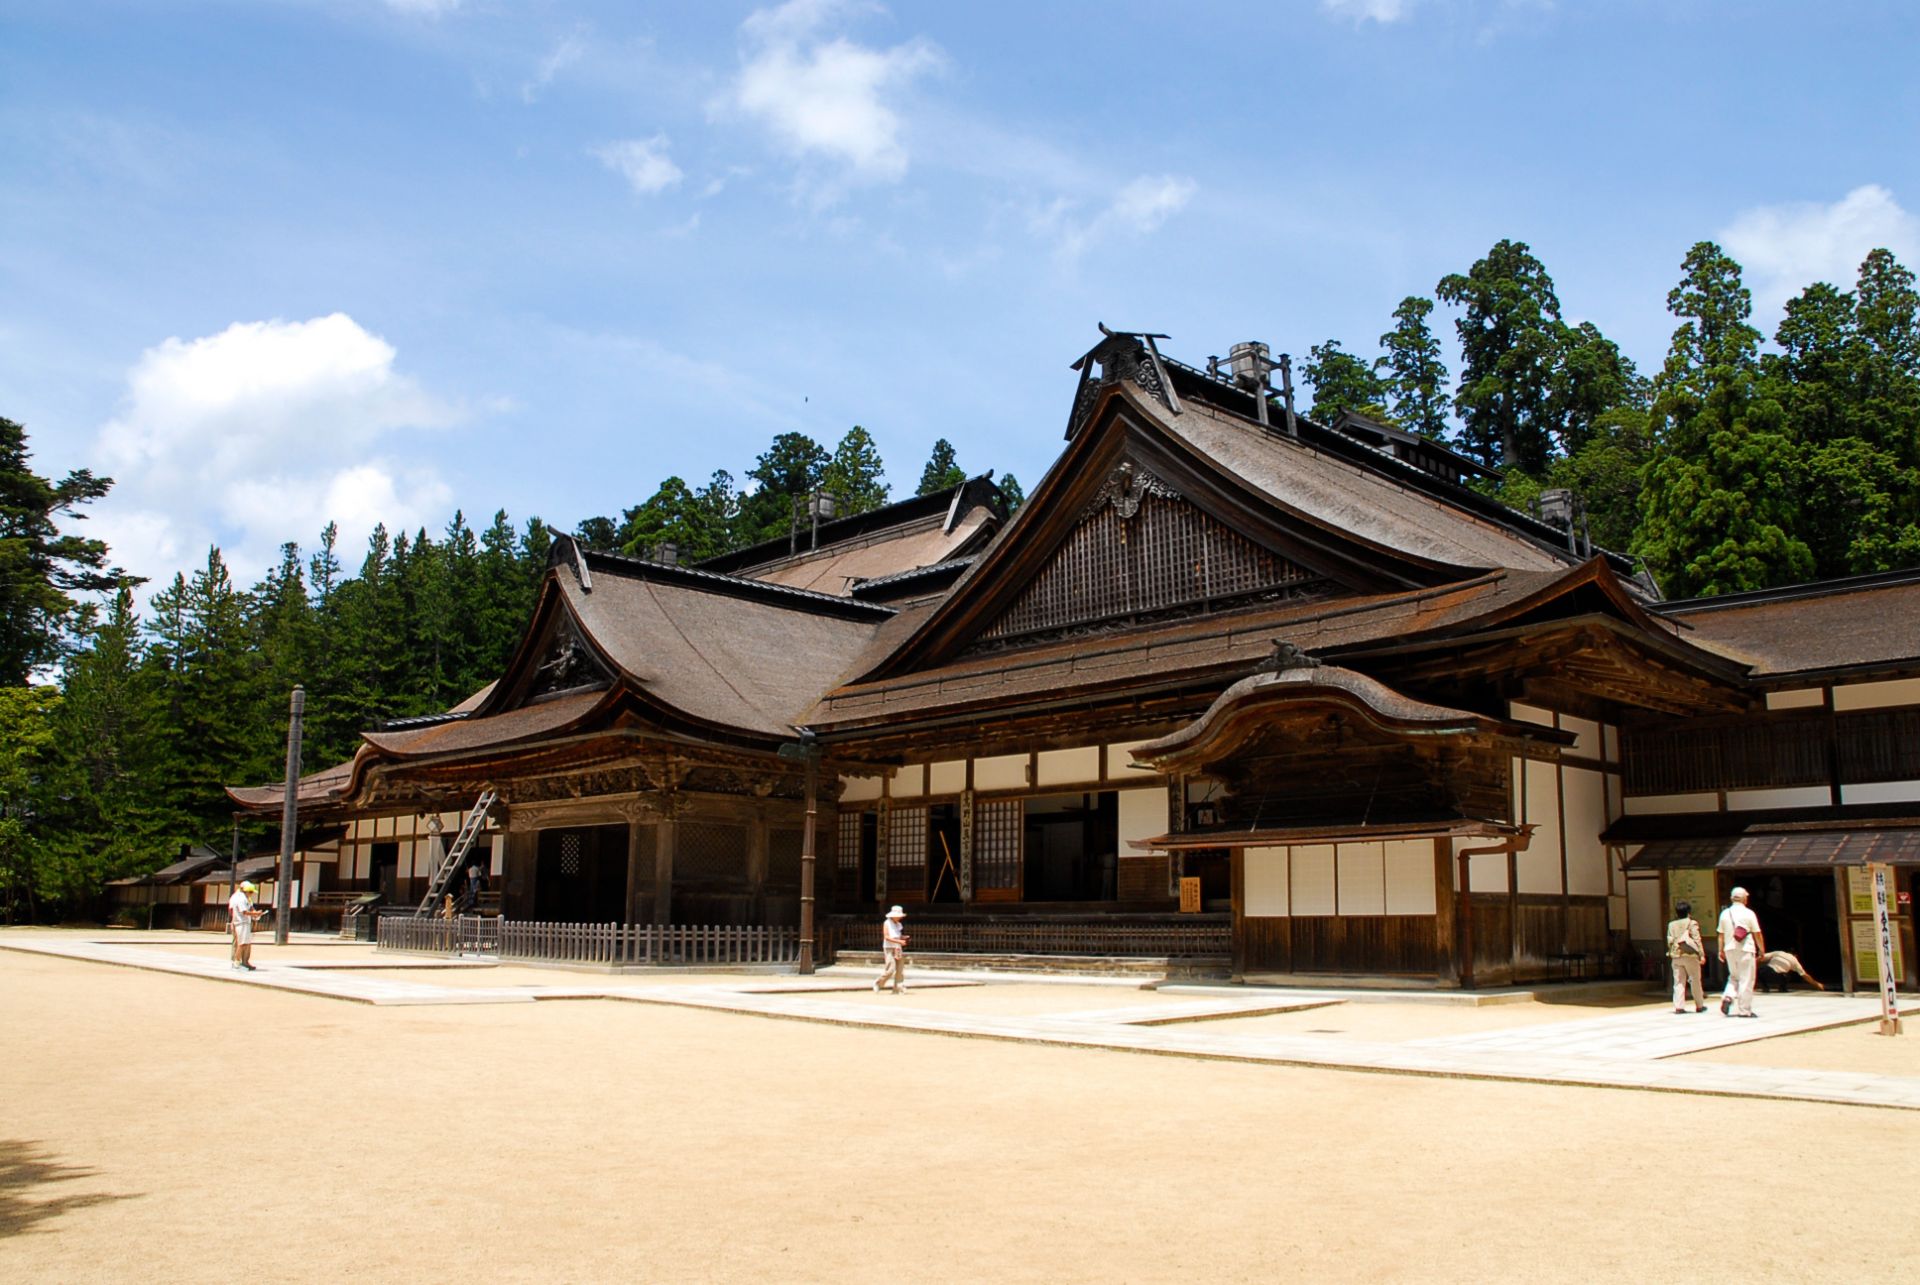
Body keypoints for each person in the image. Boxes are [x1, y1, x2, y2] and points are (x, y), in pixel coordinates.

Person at [1716, 886, 1765, 1017]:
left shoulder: (1725, 913)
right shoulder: (1749, 913)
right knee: (1746, 979)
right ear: (1744, 898)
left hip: (1729, 949)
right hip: (1745, 949)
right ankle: (1744, 1010)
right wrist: (1761, 949)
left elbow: (1720, 934)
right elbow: (1757, 933)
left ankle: (1728, 997)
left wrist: (1720, 950)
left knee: (1734, 976)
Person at [1666, 899, 1707, 1013]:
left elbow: (1669, 941)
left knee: (1678, 981)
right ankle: (1699, 1005)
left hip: (1676, 955)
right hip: (1690, 955)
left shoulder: (1671, 925)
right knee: (1695, 980)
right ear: (1689, 912)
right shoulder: (1691, 923)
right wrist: (1701, 955)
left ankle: (1679, 1006)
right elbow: (1697, 939)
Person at [228, 880, 265, 971]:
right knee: (241, 943)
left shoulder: (246, 898)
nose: (251, 894)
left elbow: (250, 908)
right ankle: (236, 962)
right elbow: (243, 911)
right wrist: (255, 913)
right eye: (251, 892)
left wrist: (255, 913)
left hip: (246, 922)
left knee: (247, 943)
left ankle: (245, 962)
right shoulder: (239, 898)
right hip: (240, 923)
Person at [872, 905, 909, 994]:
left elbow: (897, 935)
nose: (900, 917)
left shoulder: (899, 924)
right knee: (891, 968)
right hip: (889, 947)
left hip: (898, 947)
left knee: (900, 969)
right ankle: (878, 983)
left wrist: (903, 937)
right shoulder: (887, 923)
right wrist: (900, 941)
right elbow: (887, 937)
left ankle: (898, 988)